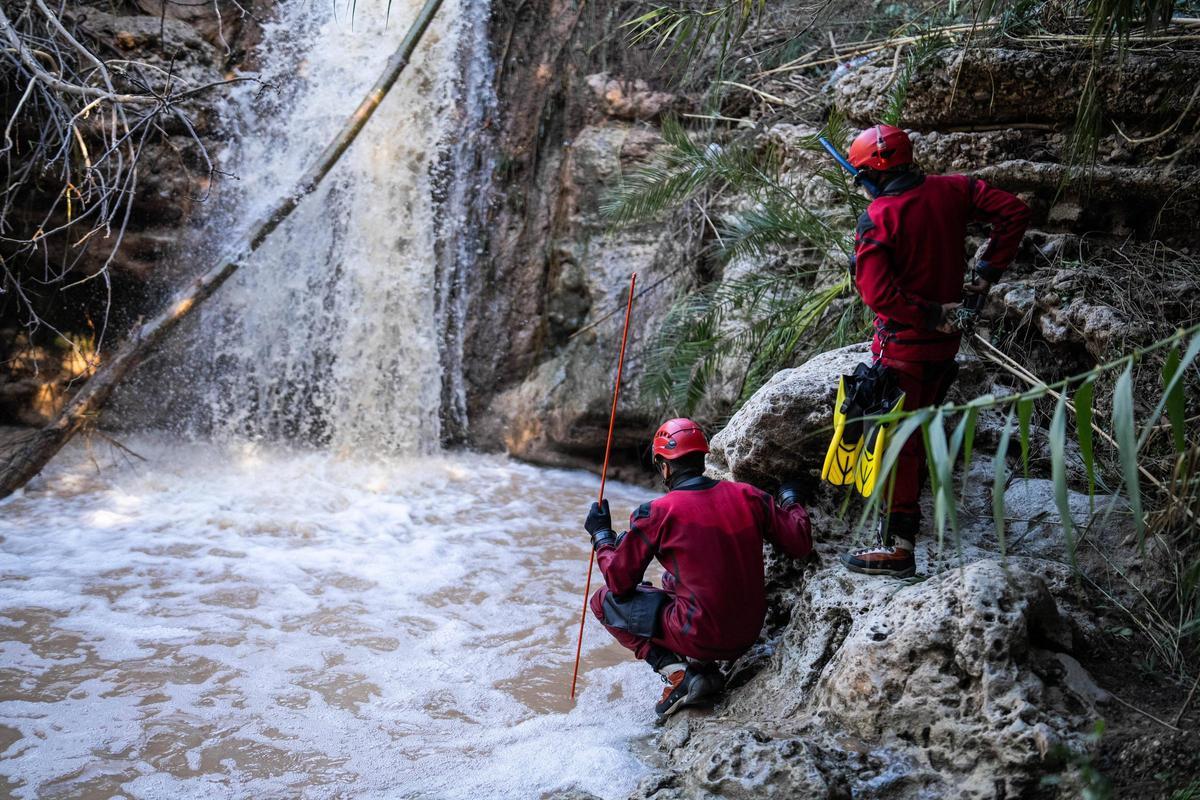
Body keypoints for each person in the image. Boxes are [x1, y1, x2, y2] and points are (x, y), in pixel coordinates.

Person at [840, 123, 1031, 578]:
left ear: (872, 174)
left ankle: (898, 548)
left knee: (897, 444)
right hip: (944, 348)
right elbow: (1013, 212)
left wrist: (927, 314)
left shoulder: (879, 218)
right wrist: (985, 274)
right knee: (917, 435)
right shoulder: (954, 190)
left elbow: (878, 295)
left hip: (902, 349)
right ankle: (899, 536)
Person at [584, 417, 813, 717]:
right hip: (748, 633)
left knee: (603, 602)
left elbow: (619, 583)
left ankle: (680, 674)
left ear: (664, 466)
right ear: (702, 460)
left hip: (702, 636)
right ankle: (702, 669)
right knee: (670, 579)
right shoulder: (748, 495)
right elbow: (800, 542)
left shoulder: (656, 513)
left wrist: (602, 538)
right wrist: (790, 499)